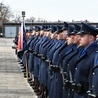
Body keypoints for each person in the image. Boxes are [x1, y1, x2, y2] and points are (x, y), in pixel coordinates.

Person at [72, 22, 98, 98]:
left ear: (91, 38)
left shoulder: (94, 55)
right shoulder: (84, 51)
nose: (79, 38)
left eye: (82, 36)